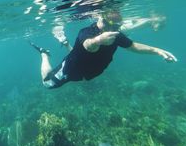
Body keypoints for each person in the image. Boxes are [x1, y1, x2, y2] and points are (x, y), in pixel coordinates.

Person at [30, 9, 177, 89]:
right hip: (71, 69)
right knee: (47, 83)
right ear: (100, 19)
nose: (112, 29)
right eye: (110, 25)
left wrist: (157, 51)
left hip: (86, 70)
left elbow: (133, 46)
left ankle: (67, 44)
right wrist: (99, 40)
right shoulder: (86, 32)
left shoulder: (115, 33)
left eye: (116, 27)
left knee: (78, 54)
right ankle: (44, 54)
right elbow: (88, 44)